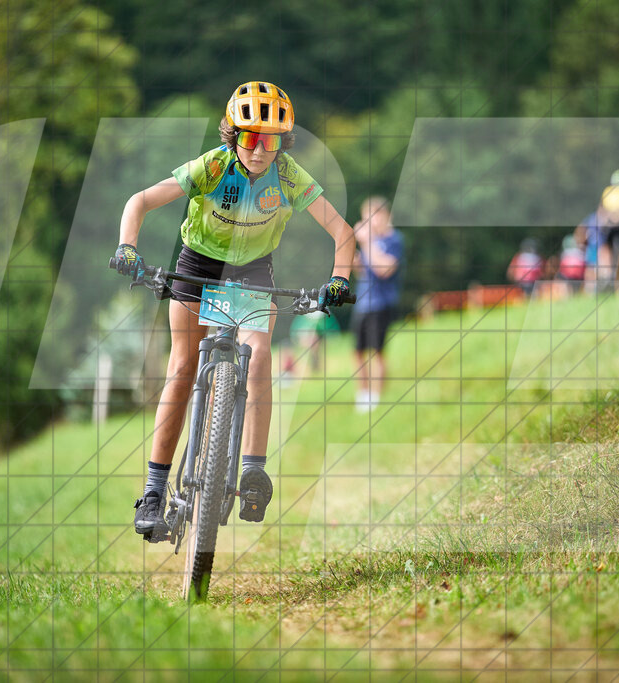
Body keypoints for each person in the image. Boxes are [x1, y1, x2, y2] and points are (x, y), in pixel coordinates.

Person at [114, 81, 355, 541]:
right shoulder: (213, 166)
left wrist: (339, 280)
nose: (261, 150)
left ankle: (253, 473)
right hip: (198, 262)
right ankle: (153, 492)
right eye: (251, 138)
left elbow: (343, 233)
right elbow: (139, 201)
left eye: (273, 140)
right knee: (182, 367)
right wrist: (128, 247)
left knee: (259, 355)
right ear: (233, 135)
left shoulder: (288, 176)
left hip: (252, 271)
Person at [350, 196, 404, 412]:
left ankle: (377, 397)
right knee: (358, 351)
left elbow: (385, 269)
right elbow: (365, 271)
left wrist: (365, 242)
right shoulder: (370, 242)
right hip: (363, 302)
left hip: (382, 303)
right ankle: (363, 395)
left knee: (377, 351)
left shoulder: (393, 240)